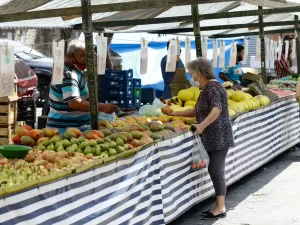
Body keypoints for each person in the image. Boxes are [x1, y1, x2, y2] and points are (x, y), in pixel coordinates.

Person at [164, 57, 234, 219]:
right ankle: (219, 206)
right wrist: (175, 113)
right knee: (215, 169)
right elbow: (198, 111)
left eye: (191, 74)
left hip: (218, 134)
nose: (191, 78)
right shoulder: (209, 89)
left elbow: (216, 110)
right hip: (215, 134)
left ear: (199, 74)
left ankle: (220, 208)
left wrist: (201, 126)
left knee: (215, 170)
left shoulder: (211, 88)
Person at [46, 40, 118, 132]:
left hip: (74, 127)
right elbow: (74, 103)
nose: (86, 59)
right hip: (65, 130)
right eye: (82, 55)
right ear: (71, 56)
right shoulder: (69, 74)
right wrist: (101, 107)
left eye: (88, 56)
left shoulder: (73, 70)